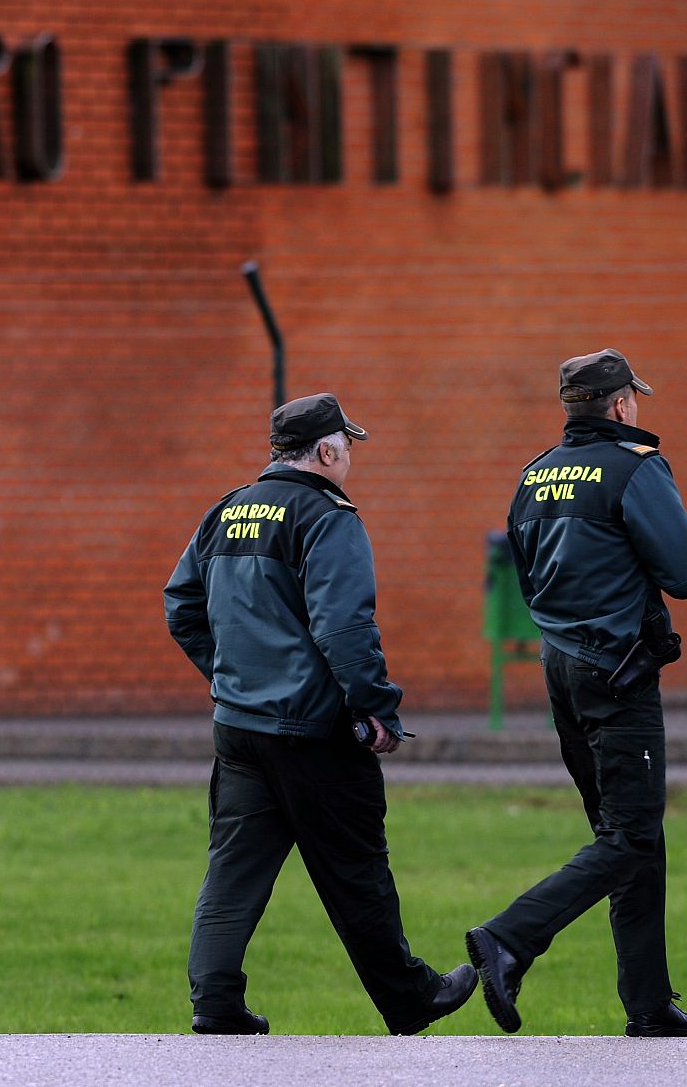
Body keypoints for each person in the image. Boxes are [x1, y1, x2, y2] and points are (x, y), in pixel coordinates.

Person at [163, 392, 477, 1037]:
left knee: (235, 867)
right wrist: (374, 705)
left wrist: (232, 677)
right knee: (356, 868)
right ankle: (412, 998)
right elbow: (343, 626)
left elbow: (182, 606)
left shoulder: (227, 511)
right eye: (348, 445)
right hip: (312, 731)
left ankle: (215, 1000)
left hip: (239, 727)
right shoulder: (328, 517)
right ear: (328, 451)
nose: (351, 456)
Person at [465, 348, 687, 1038]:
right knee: (630, 835)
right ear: (622, 405)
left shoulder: (536, 474)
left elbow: (526, 573)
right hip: (617, 673)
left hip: (562, 671)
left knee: (630, 834)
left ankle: (649, 1004)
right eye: (635, 398)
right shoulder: (635, 468)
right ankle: (509, 939)